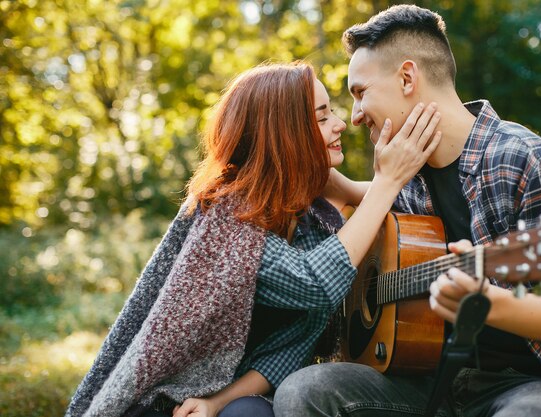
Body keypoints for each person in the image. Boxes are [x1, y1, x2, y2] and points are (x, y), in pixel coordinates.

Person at [273, 5, 541, 417]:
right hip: (423, 379)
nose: (355, 116)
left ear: (408, 78)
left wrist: (489, 303)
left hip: (523, 384)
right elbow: (373, 200)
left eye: (360, 93)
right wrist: (325, 177)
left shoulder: (528, 161)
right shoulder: (404, 173)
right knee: (304, 391)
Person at [64, 61, 441, 417]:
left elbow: (291, 346)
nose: (341, 123)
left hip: (227, 394)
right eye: (323, 117)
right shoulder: (227, 214)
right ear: (285, 134)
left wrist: (411, 168)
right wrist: (387, 182)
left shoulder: (308, 206)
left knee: (248, 411)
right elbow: (314, 283)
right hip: (167, 400)